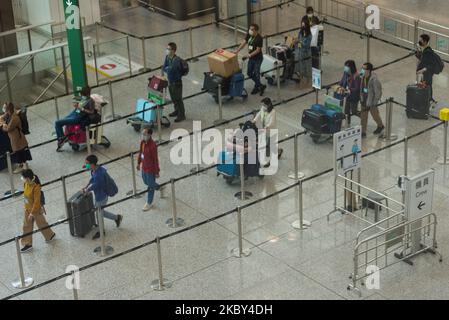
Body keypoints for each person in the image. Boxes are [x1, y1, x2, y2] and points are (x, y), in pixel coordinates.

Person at [82, 154, 123, 240]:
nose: (86, 165)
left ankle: (101, 231)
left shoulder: (99, 174)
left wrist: (87, 190)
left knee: (99, 213)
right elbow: (92, 179)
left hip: (101, 196)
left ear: (93, 164)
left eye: (87, 163)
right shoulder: (95, 170)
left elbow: (96, 185)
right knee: (100, 212)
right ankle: (117, 218)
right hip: (100, 195)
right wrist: (87, 186)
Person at [20, 169, 56, 253]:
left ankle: (50, 235)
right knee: (26, 226)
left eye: (23, 177)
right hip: (27, 208)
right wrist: (26, 208)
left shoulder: (36, 187)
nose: (22, 178)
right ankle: (27, 243)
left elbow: (37, 201)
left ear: (28, 178)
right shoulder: (26, 183)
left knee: (41, 224)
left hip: (35, 209)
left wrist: (32, 213)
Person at [55, 86, 96, 151]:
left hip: (78, 117)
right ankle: (62, 138)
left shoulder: (91, 101)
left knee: (57, 122)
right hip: (74, 113)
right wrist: (77, 105)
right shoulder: (83, 98)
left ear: (87, 94)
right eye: (82, 95)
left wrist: (82, 109)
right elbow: (79, 106)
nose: (82, 96)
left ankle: (62, 138)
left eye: (83, 95)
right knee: (59, 123)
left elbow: (91, 112)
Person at [236, 23, 267, 96]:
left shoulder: (259, 38)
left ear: (256, 31)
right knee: (249, 73)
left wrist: (248, 55)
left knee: (256, 73)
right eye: (250, 29)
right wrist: (237, 50)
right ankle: (261, 86)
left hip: (257, 59)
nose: (250, 30)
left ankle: (257, 87)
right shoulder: (249, 35)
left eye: (252, 29)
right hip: (251, 58)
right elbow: (244, 43)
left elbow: (258, 50)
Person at [1, 102, 32, 173]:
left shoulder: (14, 117)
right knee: (18, 151)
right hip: (14, 137)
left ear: (8, 109)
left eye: (5, 108)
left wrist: (3, 127)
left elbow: (8, 128)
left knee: (19, 151)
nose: (4, 109)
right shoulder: (9, 115)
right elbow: (2, 118)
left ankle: (24, 165)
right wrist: (4, 123)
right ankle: (22, 165)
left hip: (17, 137)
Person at [253, 97, 283, 168]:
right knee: (269, 146)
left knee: (270, 147)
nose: (263, 106)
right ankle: (279, 151)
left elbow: (272, 122)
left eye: (264, 105)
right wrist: (254, 120)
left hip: (271, 131)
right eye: (262, 105)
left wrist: (267, 127)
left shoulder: (273, 112)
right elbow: (259, 114)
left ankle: (269, 161)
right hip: (265, 131)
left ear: (268, 105)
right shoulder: (263, 108)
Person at [137, 127, 162, 212]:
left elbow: (155, 159)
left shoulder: (153, 146)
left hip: (151, 169)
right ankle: (159, 187)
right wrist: (138, 163)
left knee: (150, 185)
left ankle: (149, 202)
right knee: (145, 181)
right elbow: (141, 153)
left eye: (145, 134)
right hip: (144, 167)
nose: (143, 135)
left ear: (149, 135)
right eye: (142, 133)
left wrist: (157, 171)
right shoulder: (142, 143)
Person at [163, 42, 186, 123]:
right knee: (173, 98)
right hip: (170, 81)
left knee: (178, 99)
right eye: (167, 48)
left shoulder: (176, 60)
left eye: (169, 49)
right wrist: (167, 68)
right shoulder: (167, 57)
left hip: (177, 82)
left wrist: (168, 69)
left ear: (173, 50)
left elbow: (171, 70)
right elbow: (164, 68)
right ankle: (176, 111)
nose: (167, 50)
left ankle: (182, 115)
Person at [360, 62, 384, 138]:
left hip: (371, 102)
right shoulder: (362, 77)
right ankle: (363, 132)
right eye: (362, 68)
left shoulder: (374, 80)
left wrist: (375, 102)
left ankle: (380, 126)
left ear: (369, 70)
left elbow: (378, 92)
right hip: (364, 100)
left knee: (375, 115)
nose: (362, 70)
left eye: (364, 68)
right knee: (363, 117)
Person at [337, 60, 361, 126]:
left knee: (354, 111)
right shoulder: (345, 73)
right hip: (347, 95)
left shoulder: (357, 76)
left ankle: (363, 117)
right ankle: (348, 124)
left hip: (354, 96)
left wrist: (349, 89)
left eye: (347, 67)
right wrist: (339, 87)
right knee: (346, 111)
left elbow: (357, 88)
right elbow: (342, 81)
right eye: (345, 66)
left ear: (352, 67)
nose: (345, 68)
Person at [416, 34, 437, 105]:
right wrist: (418, 52)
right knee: (425, 85)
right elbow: (422, 59)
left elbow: (431, 64)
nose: (419, 41)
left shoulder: (428, 51)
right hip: (425, 73)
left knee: (427, 86)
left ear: (425, 42)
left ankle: (429, 100)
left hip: (427, 73)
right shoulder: (425, 50)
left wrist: (423, 70)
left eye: (421, 40)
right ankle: (428, 99)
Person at [295, 19, 313, 85]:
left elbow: (307, 45)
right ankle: (301, 79)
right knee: (301, 66)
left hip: (307, 53)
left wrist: (300, 42)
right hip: (301, 52)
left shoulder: (309, 35)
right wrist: (299, 45)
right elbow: (298, 39)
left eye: (304, 25)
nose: (302, 27)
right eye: (302, 25)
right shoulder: (300, 32)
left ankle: (308, 80)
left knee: (307, 66)